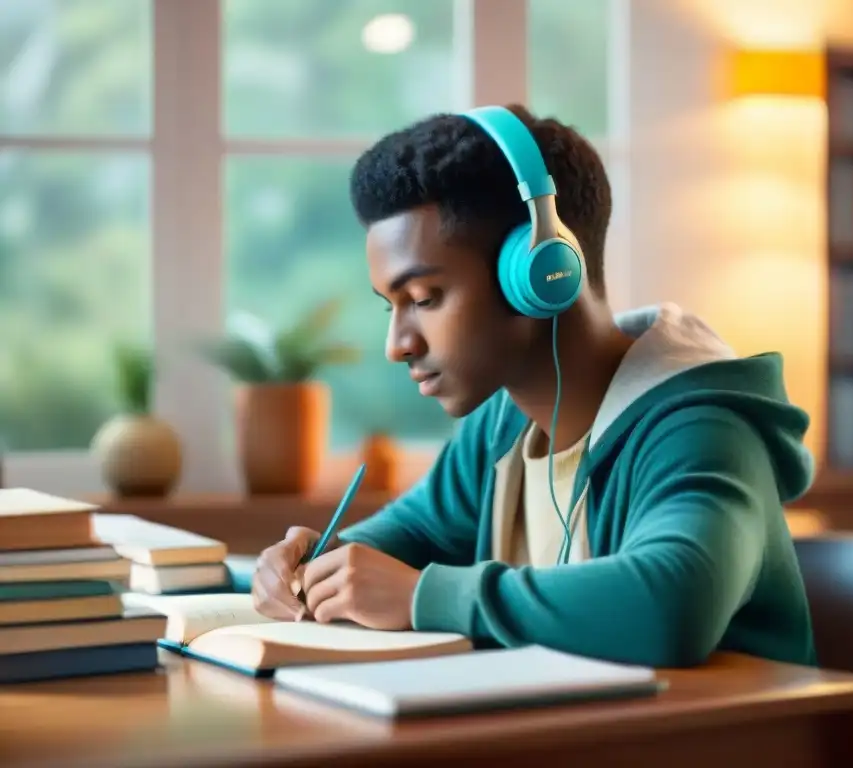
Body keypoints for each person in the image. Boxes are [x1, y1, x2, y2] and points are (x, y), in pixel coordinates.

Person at [251, 103, 818, 669]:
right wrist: (320, 564)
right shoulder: (501, 424)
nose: (397, 344)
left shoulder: (701, 427)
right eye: (391, 307)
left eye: (422, 299)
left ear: (541, 272)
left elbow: (671, 605)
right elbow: (415, 529)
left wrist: (421, 597)